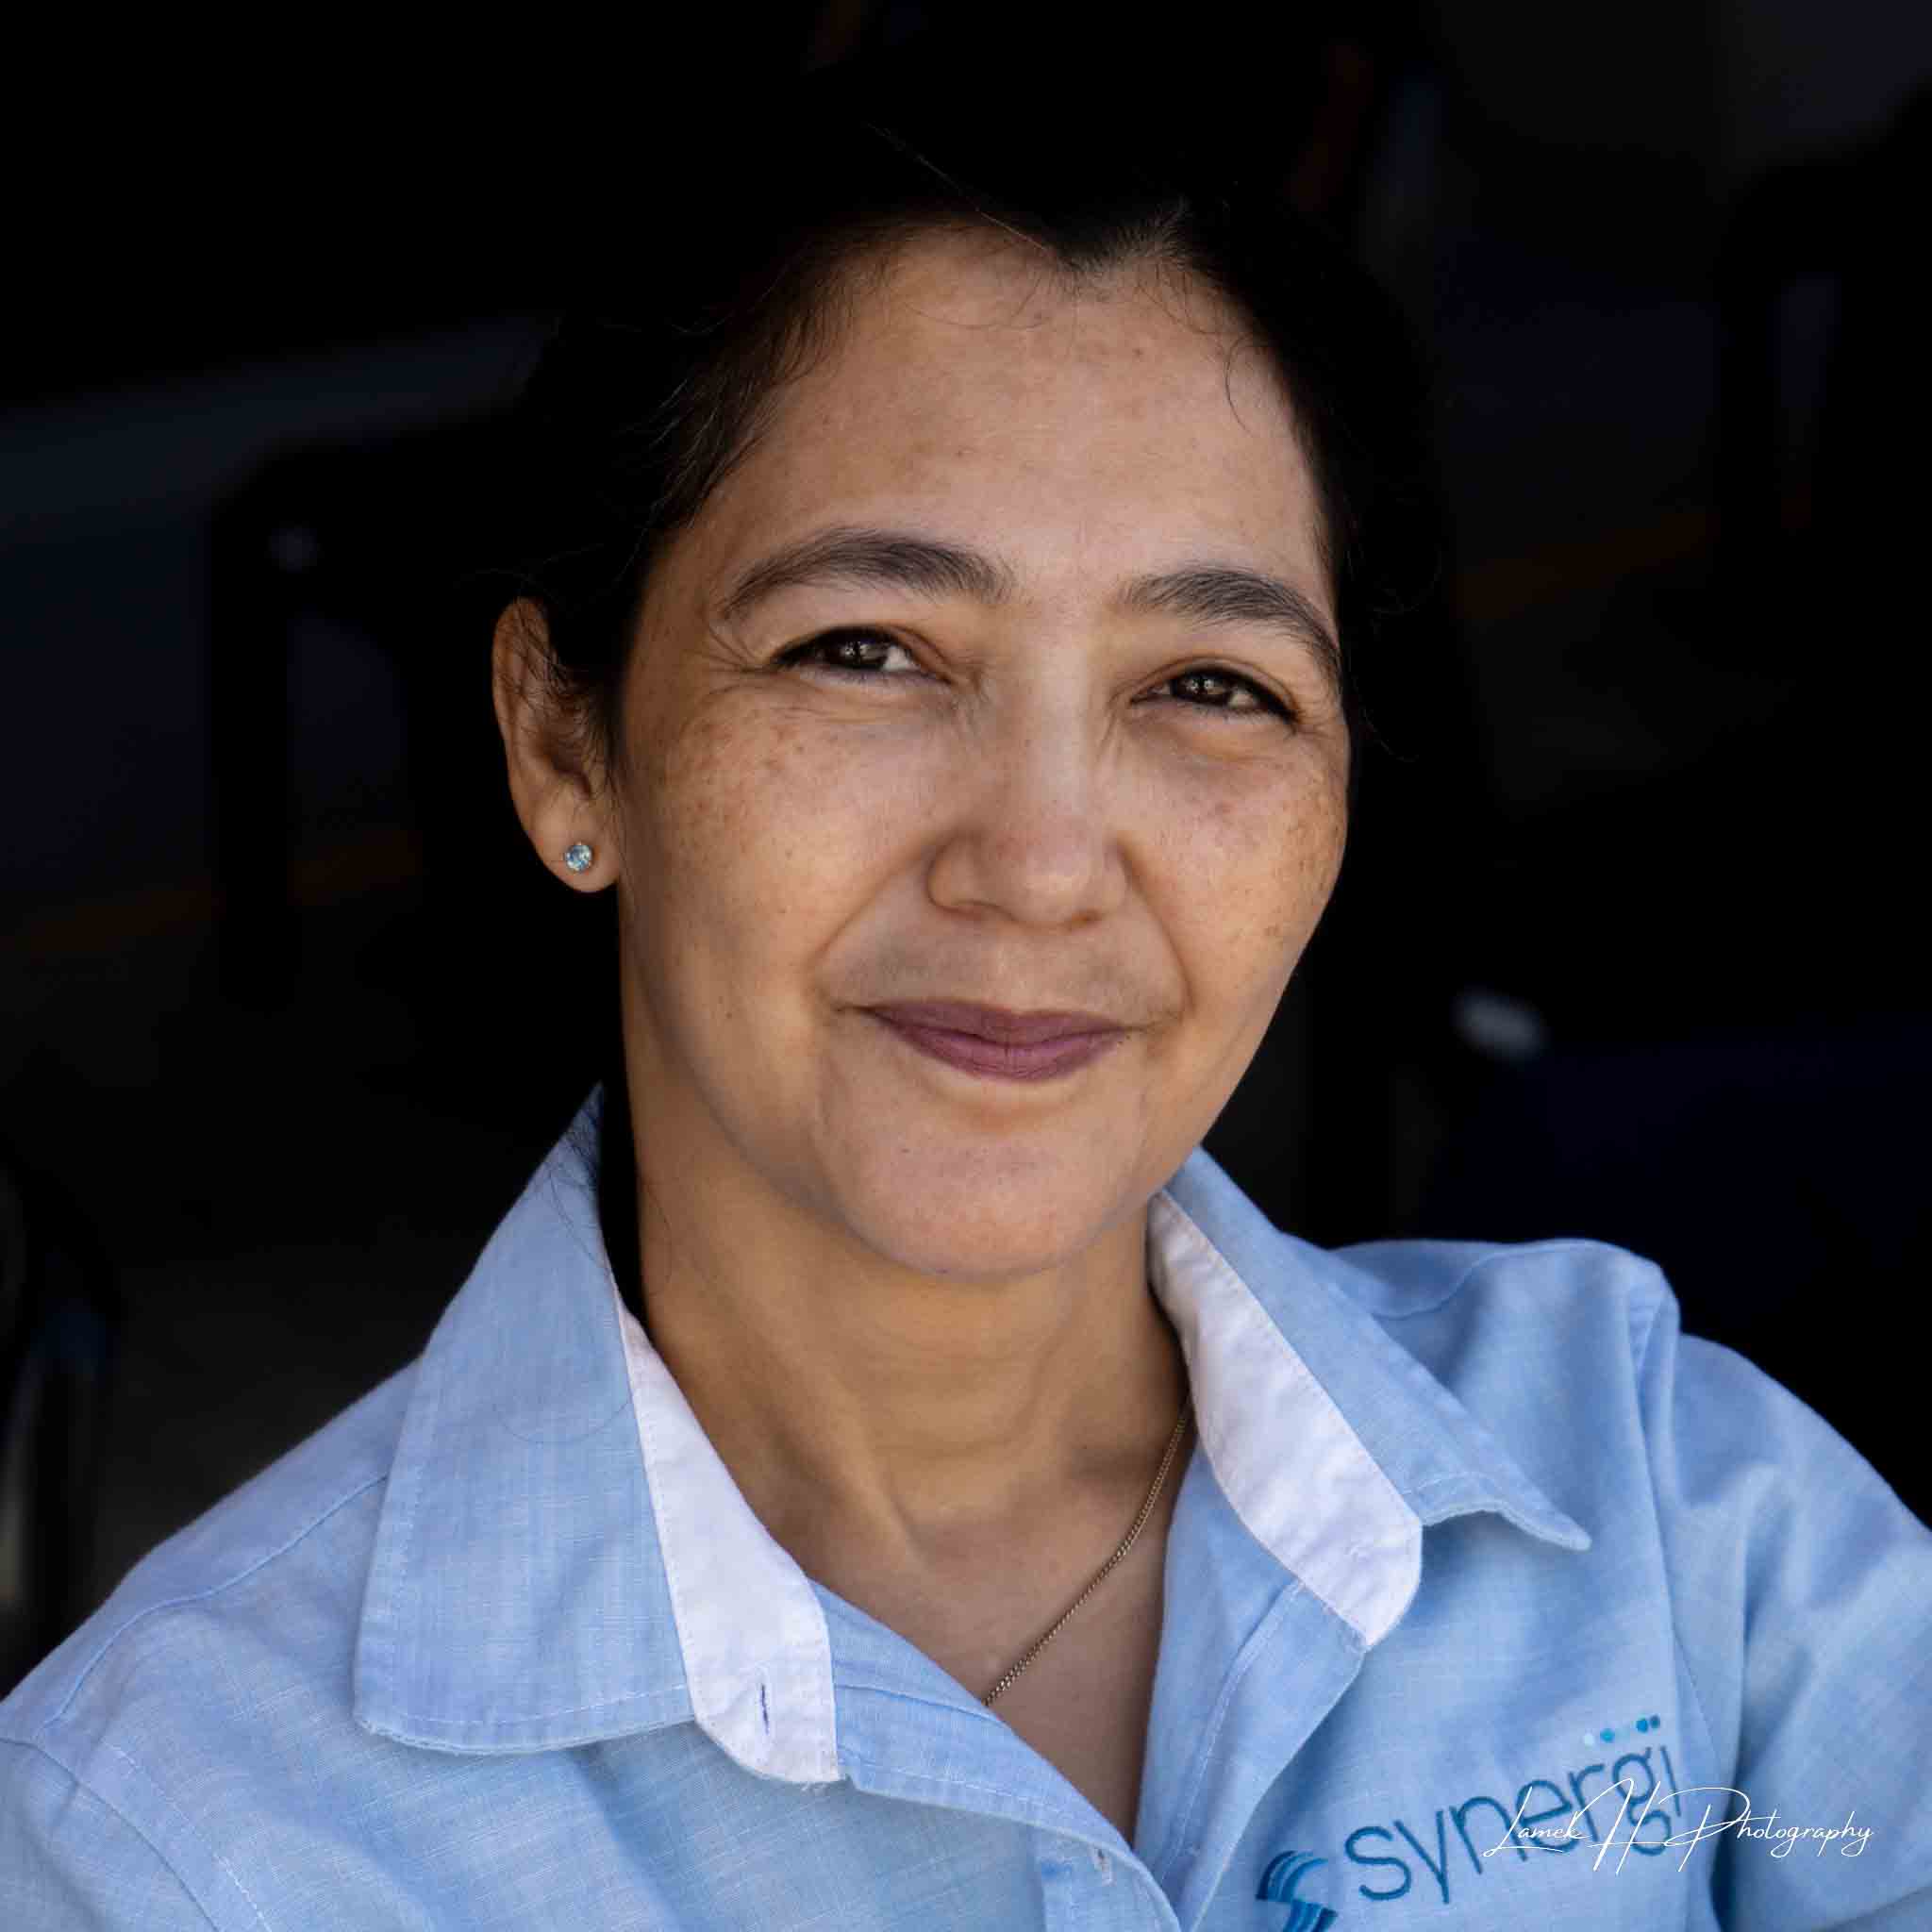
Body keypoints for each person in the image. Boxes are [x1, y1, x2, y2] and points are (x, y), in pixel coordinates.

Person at [5, 44, 1928, 1931]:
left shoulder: (1675, 1510)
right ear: (563, 743)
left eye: (1210, 686)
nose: (1040, 862)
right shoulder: (169, 1838)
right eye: (866, 649)